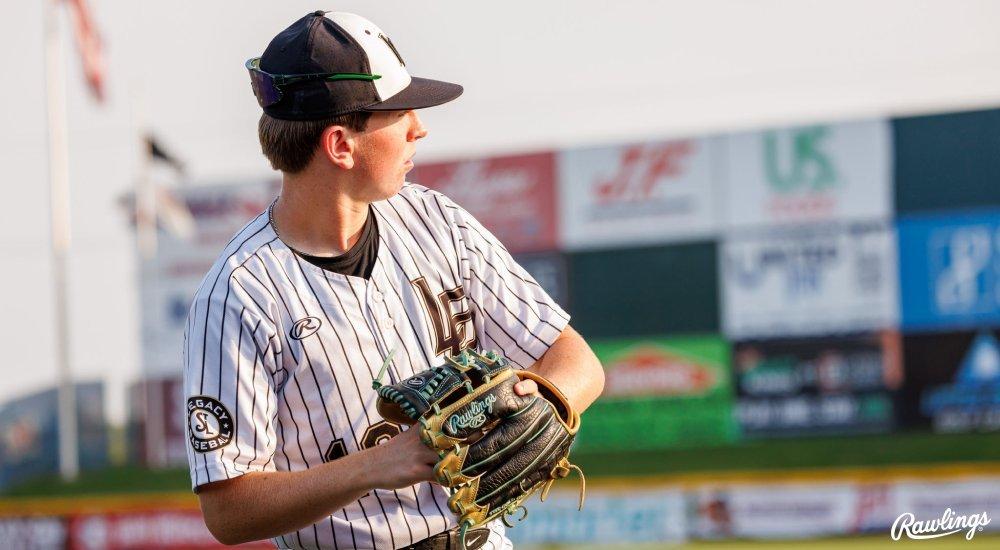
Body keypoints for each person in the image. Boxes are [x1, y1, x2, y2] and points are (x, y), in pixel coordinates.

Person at [183, 11, 604, 550]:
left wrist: (544, 396)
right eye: (399, 112)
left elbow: (577, 361)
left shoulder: (435, 220)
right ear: (341, 145)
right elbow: (227, 511)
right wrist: (376, 466)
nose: (419, 128)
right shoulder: (239, 295)